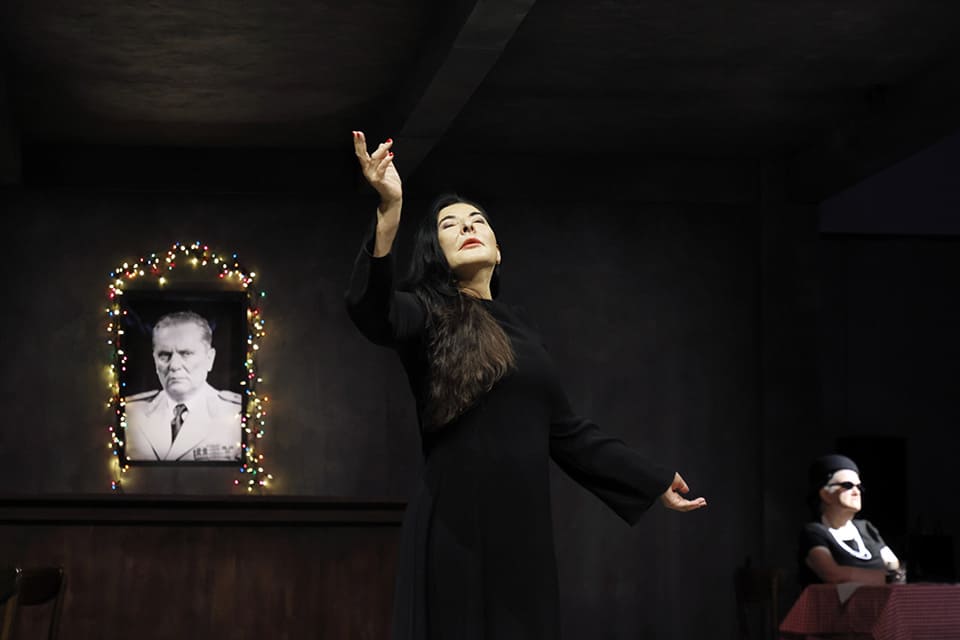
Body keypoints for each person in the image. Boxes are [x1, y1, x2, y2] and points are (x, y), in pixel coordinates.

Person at [345, 131, 707, 640]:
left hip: (522, 529)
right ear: (435, 253)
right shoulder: (425, 311)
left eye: (477, 221)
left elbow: (566, 431)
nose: (467, 227)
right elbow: (371, 310)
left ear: (498, 250)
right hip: (455, 522)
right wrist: (390, 209)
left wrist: (651, 479)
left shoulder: (523, 330)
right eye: (450, 225)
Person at [124, 310, 242, 462]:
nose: (174, 365)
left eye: (186, 353)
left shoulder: (236, 415)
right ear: (154, 360)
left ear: (209, 359)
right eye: (164, 355)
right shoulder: (130, 413)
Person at [798, 454, 903, 586]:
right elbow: (832, 574)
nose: (857, 492)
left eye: (859, 487)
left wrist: (893, 576)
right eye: (848, 485)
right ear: (825, 494)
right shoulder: (814, 533)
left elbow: (894, 566)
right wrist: (887, 578)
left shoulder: (866, 528)